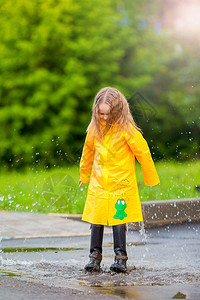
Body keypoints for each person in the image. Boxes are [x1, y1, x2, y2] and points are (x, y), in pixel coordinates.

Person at [79, 87, 160, 273]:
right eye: (101, 113)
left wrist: (150, 178)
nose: (105, 117)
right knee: (96, 219)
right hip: (99, 184)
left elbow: (143, 152)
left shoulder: (127, 130)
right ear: (96, 111)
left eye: (109, 114)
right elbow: (88, 153)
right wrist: (84, 175)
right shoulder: (94, 128)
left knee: (119, 219)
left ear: (118, 111)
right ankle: (94, 257)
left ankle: (120, 258)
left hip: (120, 185)